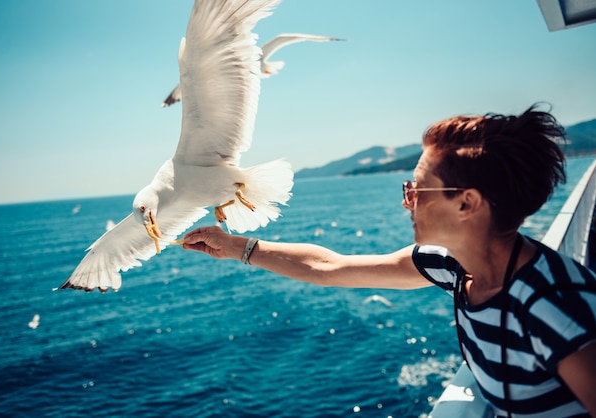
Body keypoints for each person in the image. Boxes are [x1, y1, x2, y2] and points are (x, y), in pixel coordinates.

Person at [182, 103, 596, 417]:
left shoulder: (555, 308)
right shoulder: (451, 266)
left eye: (417, 189)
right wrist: (236, 246)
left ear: (467, 204)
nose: (406, 202)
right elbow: (331, 267)